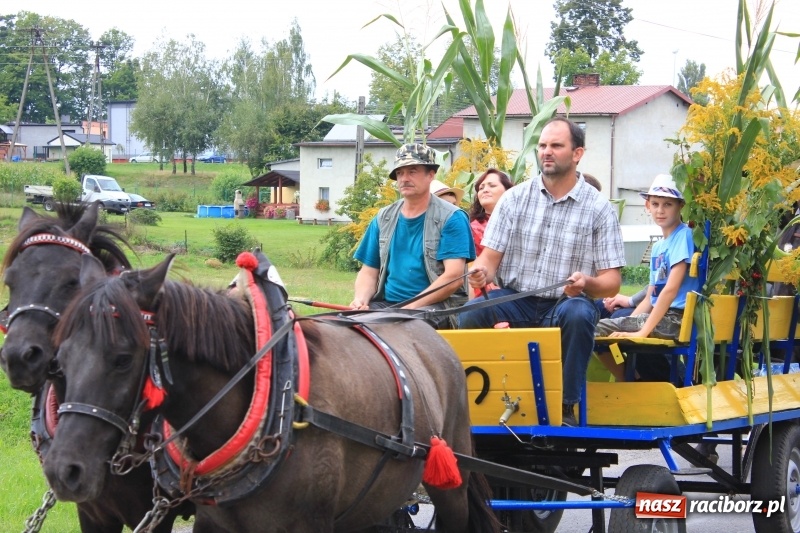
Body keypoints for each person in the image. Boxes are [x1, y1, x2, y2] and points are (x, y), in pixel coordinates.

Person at [458, 117, 626, 426]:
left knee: (579, 314)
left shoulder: (599, 207)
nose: (546, 152)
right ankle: (475, 402)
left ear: (577, 154)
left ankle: (566, 406)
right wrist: (480, 272)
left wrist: (587, 282)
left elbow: (612, 282)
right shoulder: (513, 199)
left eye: (556, 146)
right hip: (517, 297)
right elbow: (489, 262)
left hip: (566, 302)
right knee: (470, 313)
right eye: (543, 145)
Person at [350, 143, 475, 329]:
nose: (404, 178)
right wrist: (360, 300)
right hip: (389, 304)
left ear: (431, 175)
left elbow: (453, 277)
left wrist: (410, 307)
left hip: (438, 307)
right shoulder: (383, 217)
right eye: (400, 173)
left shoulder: (452, 218)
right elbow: (369, 271)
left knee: (402, 328)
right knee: (349, 329)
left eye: (412, 171)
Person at [594, 174, 698, 382]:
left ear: (680, 206)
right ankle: (632, 379)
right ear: (647, 206)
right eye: (655, 204)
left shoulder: (684, 235)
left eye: (667, 204)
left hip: (675, 319)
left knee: (592, 330)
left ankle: (629, 381)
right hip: (662, 317)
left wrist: (642, 331)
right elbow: (652, 294)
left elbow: (670, 289)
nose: (660, 210)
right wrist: (632, 322)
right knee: (595, 330)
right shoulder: (659, 246)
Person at [468, 169, 514, 296]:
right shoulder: (470, 228)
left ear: (509, 190)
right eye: (481, 188)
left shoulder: (521, 222)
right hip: (484, 292)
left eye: (492, 185)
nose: (485, 190)